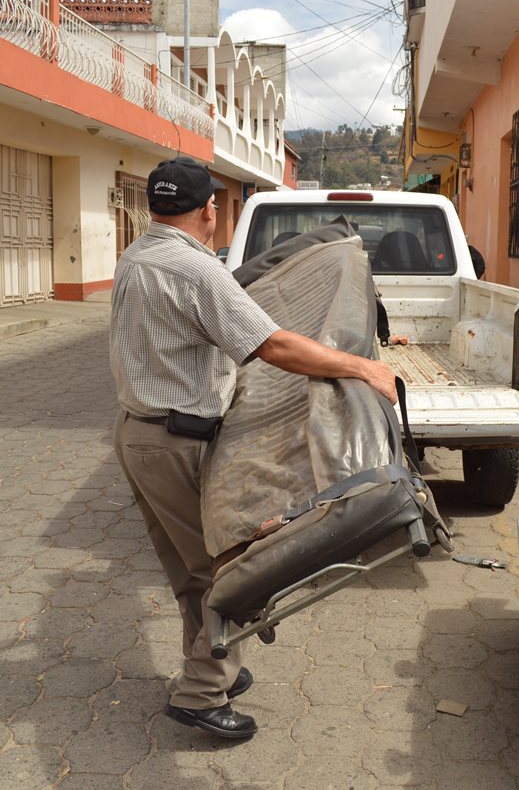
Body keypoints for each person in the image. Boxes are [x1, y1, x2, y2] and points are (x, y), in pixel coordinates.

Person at [109, 157, 396, 740]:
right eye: (215, 204)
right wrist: (361, 365)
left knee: (191, 571)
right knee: (235, 568)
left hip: (137, 435)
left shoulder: (136, 256)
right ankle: (200, 692)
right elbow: (276, 347)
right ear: (206, 210)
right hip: (175, 441)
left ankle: (206, 662)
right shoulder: (196, 271)